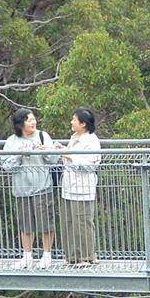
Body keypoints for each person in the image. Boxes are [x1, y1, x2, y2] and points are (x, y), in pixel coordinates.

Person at [1, 109, 59, 269]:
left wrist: (45, 151)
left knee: (46, 222)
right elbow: (6, 165)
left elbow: (54, 159)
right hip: (21, 188)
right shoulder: (11, 141)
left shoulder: (43, 136)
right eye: (29, 120)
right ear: (20, 124)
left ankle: (47, 255)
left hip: (42, 186)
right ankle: (27, 256)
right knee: (25, 224)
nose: (33, 122)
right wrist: (19, 155)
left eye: (34, 119)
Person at [54, 108, 101, 266]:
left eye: (74, 120)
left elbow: (89, 164)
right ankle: (72, 256)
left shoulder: (92, 141)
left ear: (83, 124)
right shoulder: (74, 137)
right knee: (68, 221)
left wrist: (68, 155)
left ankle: (87, 256)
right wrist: (62, 150)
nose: (71, 122)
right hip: (68, 186)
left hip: (83, 188)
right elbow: (70, 156)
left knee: (83, 222)